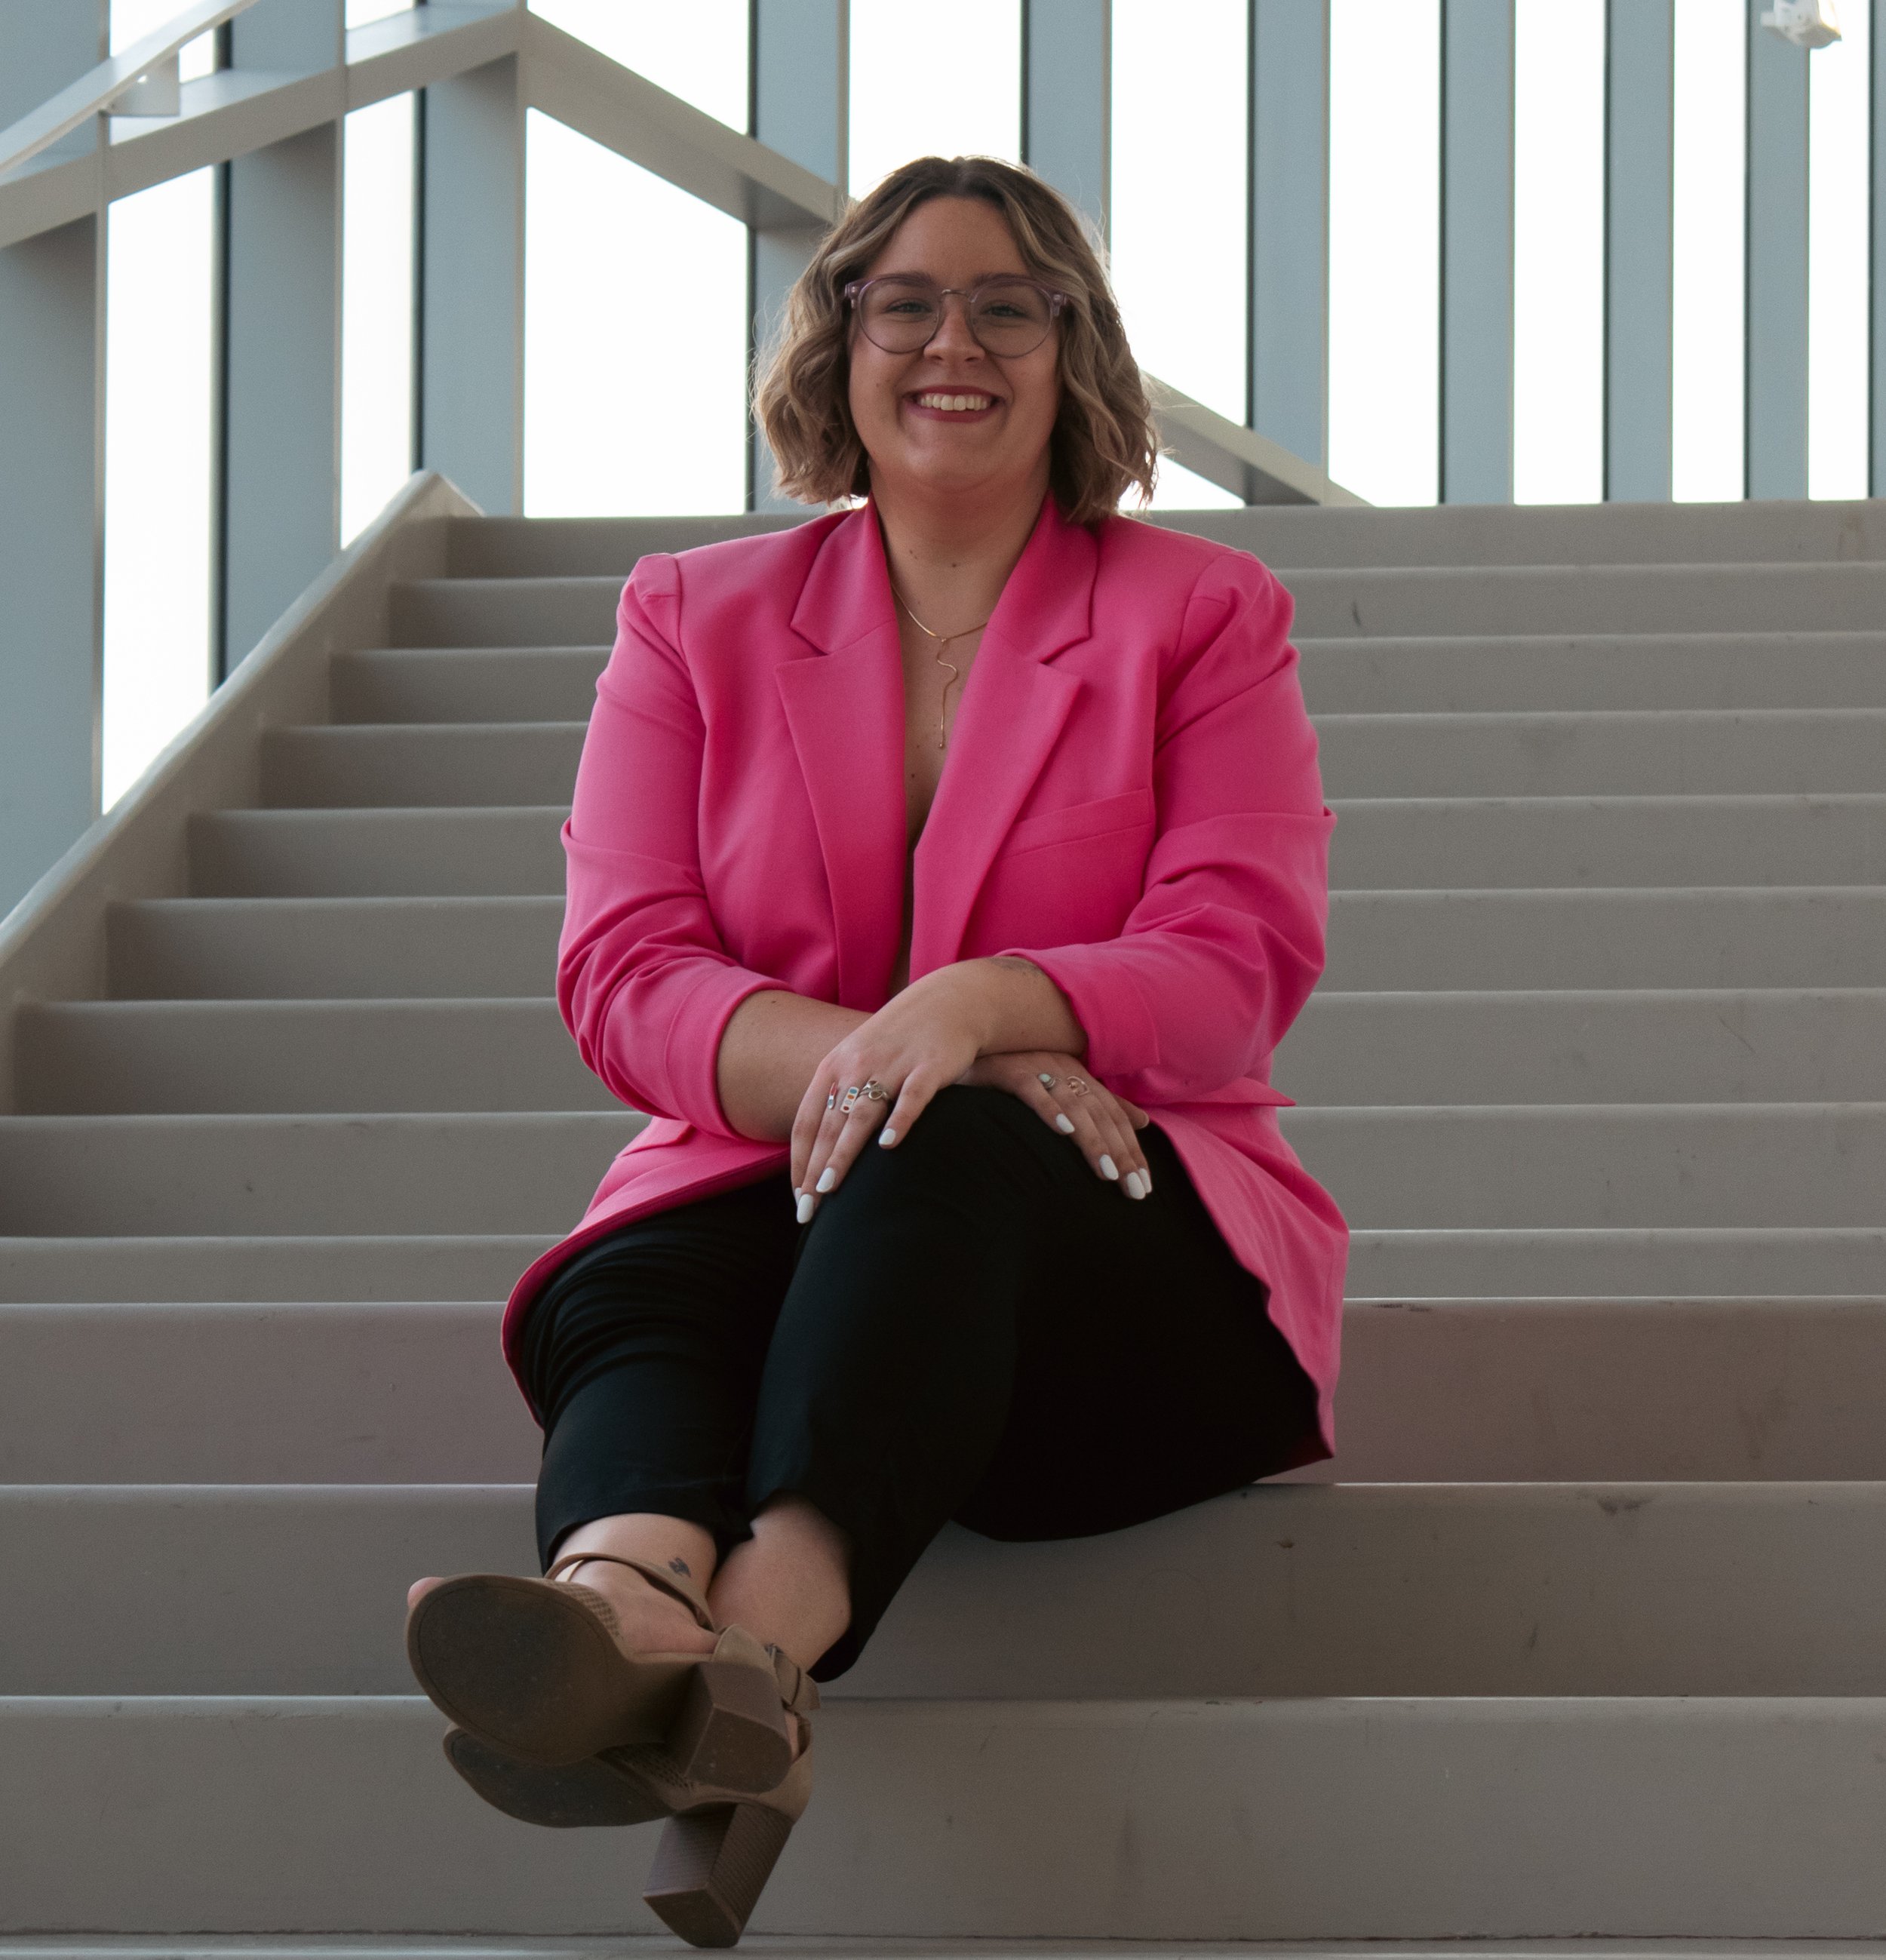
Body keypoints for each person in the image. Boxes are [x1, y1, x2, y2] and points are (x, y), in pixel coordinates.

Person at [403, 152, 1347, 1947]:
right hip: (772, 1215)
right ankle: (628, 1618)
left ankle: (750, 1643)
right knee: (651, 1259)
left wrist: (979, 1013)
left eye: (1009, 304)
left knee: (943, 1154)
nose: (952, 342)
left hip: (1112, 1288)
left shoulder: (1197, 615)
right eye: (899, 300)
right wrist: (904, 1051)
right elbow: (623, 970)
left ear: (1074, 350)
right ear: (833, 344)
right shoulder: (694, 616)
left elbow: (1232, 963)